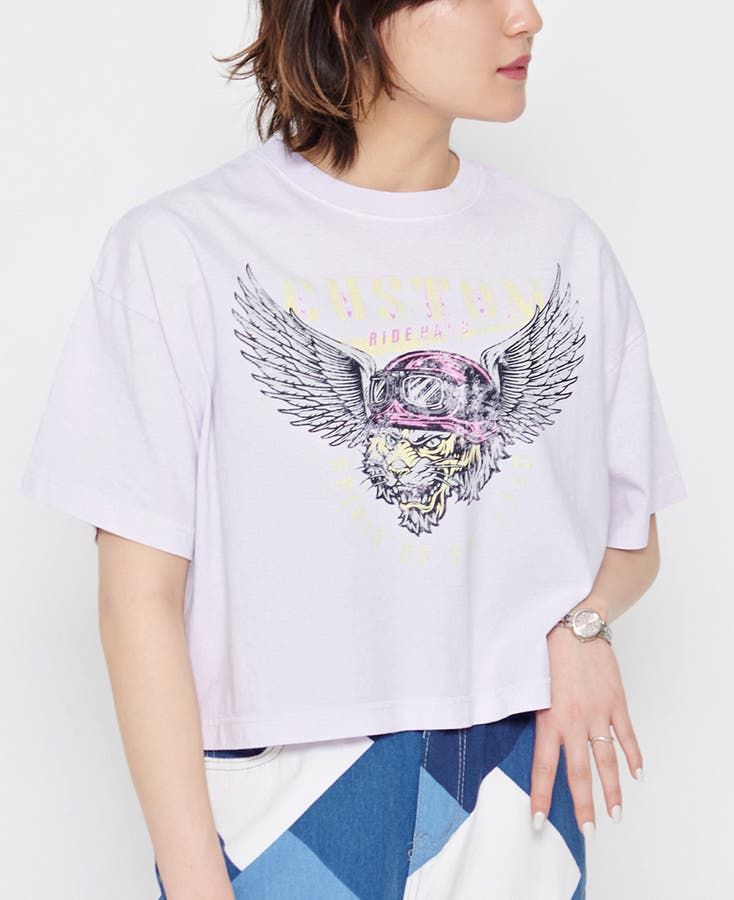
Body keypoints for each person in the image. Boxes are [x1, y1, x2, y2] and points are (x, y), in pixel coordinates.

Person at [19, 1, 688, 898]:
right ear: (347, 15)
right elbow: (137, 600)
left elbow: (631, 536)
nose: (526, 16)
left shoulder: (562, 248)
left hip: (515, 782)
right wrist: (196, 882)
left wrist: (584, 625)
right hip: (281, 787)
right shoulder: (183, 249)